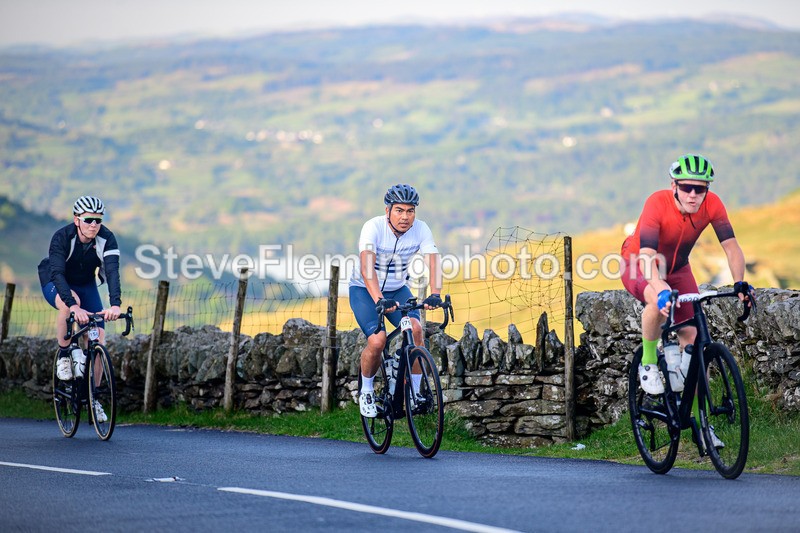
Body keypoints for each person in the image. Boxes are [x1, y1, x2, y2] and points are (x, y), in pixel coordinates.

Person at [621, 154, 755, 449]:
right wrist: (660, 288)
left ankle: (701, 424)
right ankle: (648, 362)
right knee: (657, 302)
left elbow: (731, 246)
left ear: (707, 189)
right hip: (639, 263)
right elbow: (647, 257)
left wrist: (740, 282)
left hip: (678, 268)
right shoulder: (657, 203)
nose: (693, 194)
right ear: (674, 186)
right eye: (686, 188)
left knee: (695, 341)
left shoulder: (713, 204)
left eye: (700, 188)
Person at [350, 184, 442, 418]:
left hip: (397, 289)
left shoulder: (421, 229)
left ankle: (414, 393)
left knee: (416, 329)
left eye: (410, 211)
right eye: (399, 210)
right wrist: (379, 299)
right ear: (388, 210)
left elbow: (433, 261)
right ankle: (367, 391)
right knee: (378, 341)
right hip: (364, 290)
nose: (405, 217)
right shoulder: (373, 227)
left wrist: (436, 293)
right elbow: (367, 268)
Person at [38, 196, 123, 422]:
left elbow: (112, 272)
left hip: (86, 285)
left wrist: (115, 304)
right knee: (69, 305)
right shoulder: (62, 237)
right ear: (77, 220)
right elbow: (57, 273)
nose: (94, 225)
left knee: (99, 338)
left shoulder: (107, 238)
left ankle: (92, 397)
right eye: (88, 220)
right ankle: (64, 354)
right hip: (56, 281)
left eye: (98, 220)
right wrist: (74, 306)